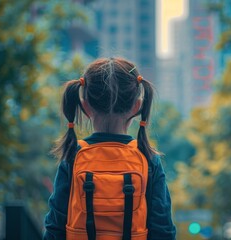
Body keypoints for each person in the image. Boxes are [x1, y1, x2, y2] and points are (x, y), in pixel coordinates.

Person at [43, 57, 176, 240]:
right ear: (137, 106)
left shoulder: (73, 156)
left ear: (85, 105)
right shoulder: (148, 158)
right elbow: (163, 230)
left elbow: (54, 228)